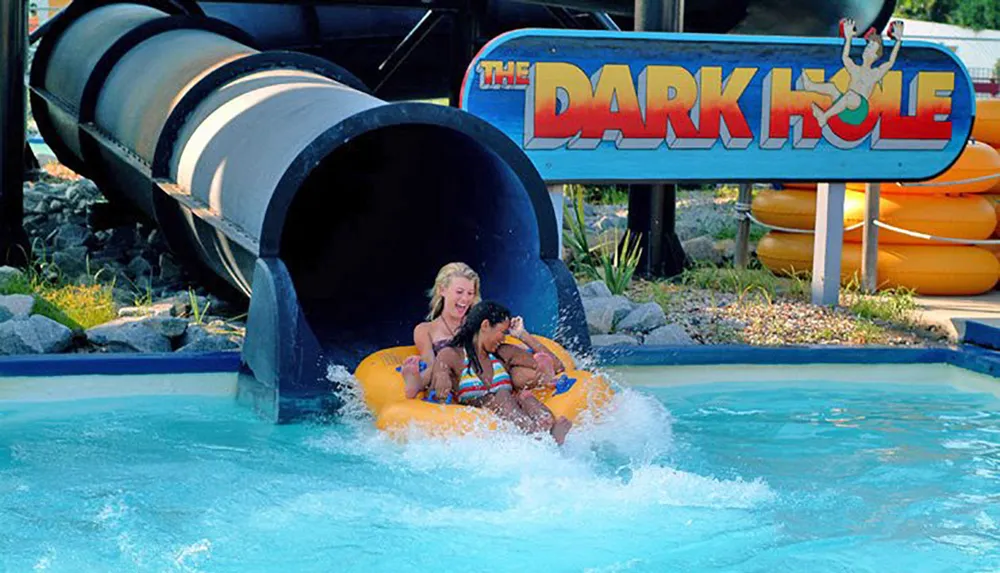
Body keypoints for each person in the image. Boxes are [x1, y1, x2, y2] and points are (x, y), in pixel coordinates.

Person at [400, 262, 563, 398]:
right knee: (438, 367)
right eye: (459, 292)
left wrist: (521, 334)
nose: (465, 299)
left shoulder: (481, 323)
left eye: (470, 293)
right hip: (457, 377)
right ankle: (415, 384)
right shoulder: (425, 329)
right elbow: (430, 362)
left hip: (494, 373)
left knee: (515, 368)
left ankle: (544, 374)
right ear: (442, 290)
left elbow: (504, 351)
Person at [427, 300, 573, 445]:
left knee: (525, 396)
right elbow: (439, 380)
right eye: (502, 332)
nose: (504, 338)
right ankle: (539, 434)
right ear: (485, 326)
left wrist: (523, 335)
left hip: (511, 409)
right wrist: (442, 376)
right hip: (477, 415)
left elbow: (558, 367)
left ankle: (545, 423)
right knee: (502, 394)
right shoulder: (452, 355)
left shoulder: (503, 352)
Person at [802, 19, 904, 128]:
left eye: (871, 49)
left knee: (851, 95)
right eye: (868, 46)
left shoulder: (875, 73)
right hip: (845, 110)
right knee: (831, 87)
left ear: (875, 56)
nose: (867, 50)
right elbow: (845, 57)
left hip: (859, 112)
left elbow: (890, 62)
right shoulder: (855, 69)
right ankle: (810, 86)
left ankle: (824, 117)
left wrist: (898, 41)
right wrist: (848, 38)